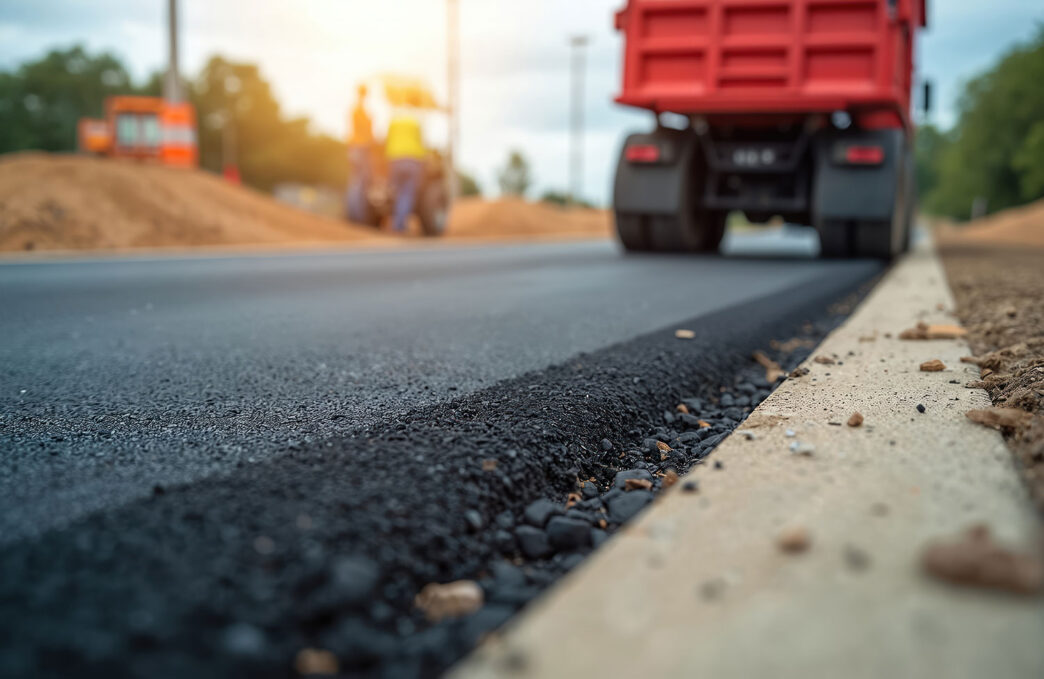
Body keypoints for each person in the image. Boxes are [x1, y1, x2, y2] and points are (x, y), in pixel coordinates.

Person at [385, 90, 427, 234]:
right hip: (412, 160)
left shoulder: (395, 116)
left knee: (397, 192)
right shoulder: (416, 119)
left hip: (395, 159)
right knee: (407, 193)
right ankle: (400, 225)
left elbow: (387, 137)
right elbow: (421, 142)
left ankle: (396, 222)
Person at [346, 84, 375, 223]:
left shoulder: (356, 109)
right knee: (360, 182)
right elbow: (367, 133)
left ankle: (353, 213)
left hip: (354, 147)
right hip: (361, 148)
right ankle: (357, 216)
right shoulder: (361, 111)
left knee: (355, 181)